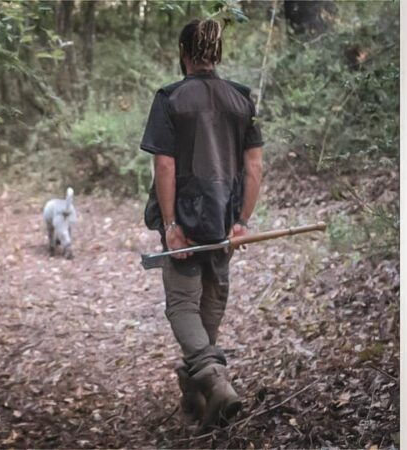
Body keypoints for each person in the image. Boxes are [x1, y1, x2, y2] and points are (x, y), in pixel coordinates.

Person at [139, 18, 264, 431]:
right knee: (211, 300)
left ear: (183, 52)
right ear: (218, 54)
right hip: (224, 218)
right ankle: (196, 393)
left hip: (188, 217)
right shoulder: (242, 99)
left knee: (182, 304)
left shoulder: (171, 98)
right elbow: (254, 166)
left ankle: (213, 379)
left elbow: (165, 164)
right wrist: (242, 221)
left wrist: (171, 223)